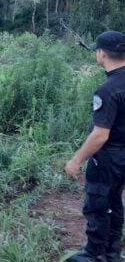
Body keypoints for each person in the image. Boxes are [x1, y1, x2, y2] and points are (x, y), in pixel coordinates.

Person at [65, 30, 125, 262]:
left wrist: (76, 160)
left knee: (98, 204)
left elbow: (100, 135)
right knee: (114, 203)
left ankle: (94, 254)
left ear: (102, 54)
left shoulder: (108, 90)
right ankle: (112, 254)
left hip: (108, 159)